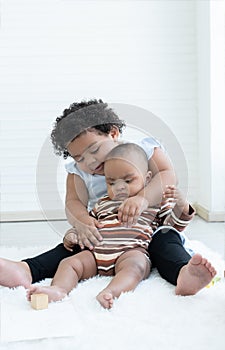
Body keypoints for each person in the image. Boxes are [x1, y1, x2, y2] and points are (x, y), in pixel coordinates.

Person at [0, 99, 216, 295]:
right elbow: (73, 202)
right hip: (107, 233)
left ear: (113, 133)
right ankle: (27, 270)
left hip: (148, 228)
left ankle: (184, 274)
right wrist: (83, 223)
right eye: (80, 157)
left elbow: (167, 174)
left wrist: (141, 198)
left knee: (166, 242)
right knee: (74, 246)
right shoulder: (79, 172)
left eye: (94, 150)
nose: (90, 162)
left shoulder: (141, 150)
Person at [27, 143, 197, 309]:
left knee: (136, 266)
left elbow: (171, 226)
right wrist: (73, 234)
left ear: (146, 179)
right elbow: (88, 225)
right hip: (97, 255)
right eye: (111, 183)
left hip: (131, 252)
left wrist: (181, 205)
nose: (119, 187)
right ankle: (59, 289)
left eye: (128, 180)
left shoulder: (151, 203)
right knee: (68, 263)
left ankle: (111, 292)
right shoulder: (102, 204)